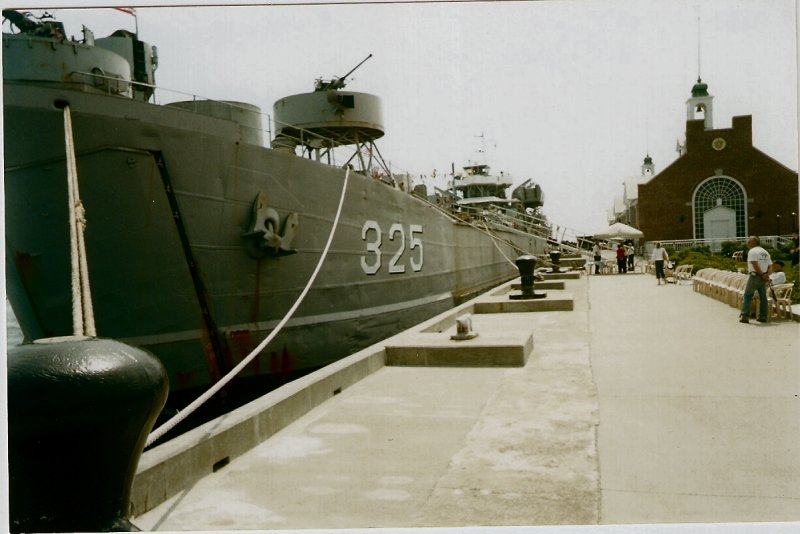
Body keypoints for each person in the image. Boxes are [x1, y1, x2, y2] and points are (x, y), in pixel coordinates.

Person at [739, 236, 773, 324]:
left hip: (755, 276)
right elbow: (770, 266)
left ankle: (745, 316)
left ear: (754, 241)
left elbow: (754, 264)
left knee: (747, 295)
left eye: (749, 241)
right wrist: (766, 275)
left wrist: (761, 274)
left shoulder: (752, 251)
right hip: (763, 277)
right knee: (763, 297)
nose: (747, 243)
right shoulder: (765, 252)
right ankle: (763, 316)